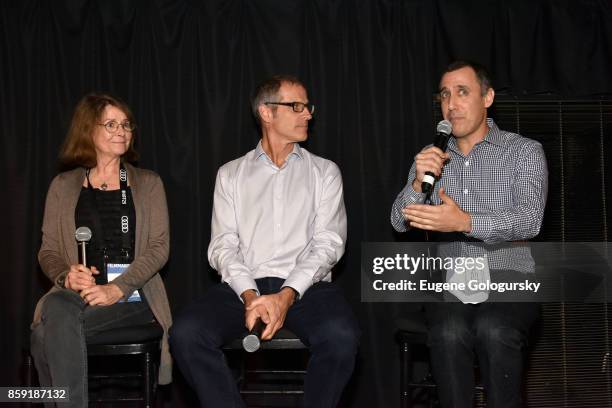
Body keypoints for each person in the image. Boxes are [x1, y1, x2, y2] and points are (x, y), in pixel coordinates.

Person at [170, 75, 360, 408]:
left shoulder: (325, 172)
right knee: (186, 334)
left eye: (307, 106)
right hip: (243, 288)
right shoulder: (231, 173)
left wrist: (285, 296)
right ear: (267, 113)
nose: (308, 115)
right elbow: (222, 246)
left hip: (306, 289)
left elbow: (329, 244)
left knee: (342, 337)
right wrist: (250, 295)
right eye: (297, 106)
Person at [390, 61, 548, 408]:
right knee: (448, 332)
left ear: (488, 97)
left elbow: (530, 219)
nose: (451, 103)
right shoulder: (432, 158)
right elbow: (399, 222)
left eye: (462, 92)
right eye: (445, 95)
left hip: (510, 278)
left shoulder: (523, 152)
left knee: (494, 330)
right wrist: (418, 183)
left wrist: (464, 222)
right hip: (452, 284)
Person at [30, 93, 173, 407]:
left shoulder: (148, 183)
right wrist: (66, 275)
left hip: (134, 295)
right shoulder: (62, 185)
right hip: (75, 296)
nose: (121, 131)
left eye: (126, 125)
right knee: (57, 308)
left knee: (43, 336)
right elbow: (48, 251)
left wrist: (117, 289)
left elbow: (159, 248)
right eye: (110, 124)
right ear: (88, 130)